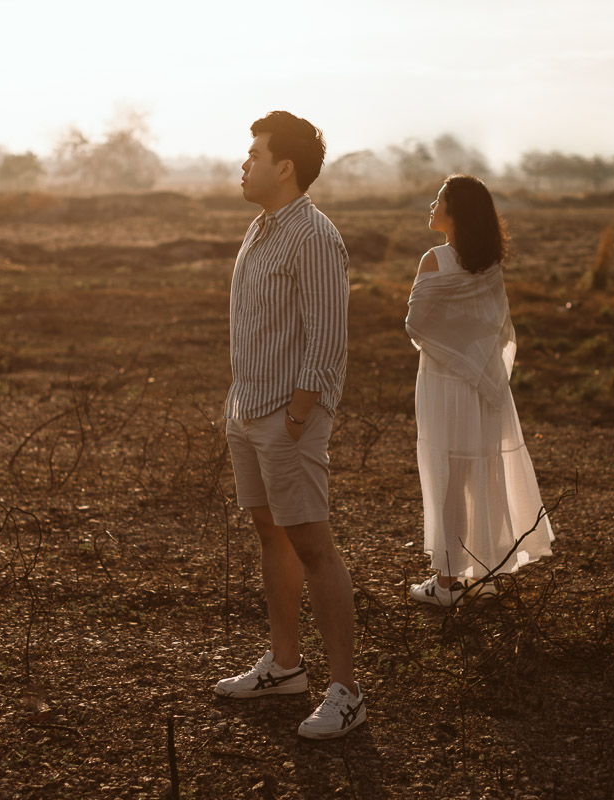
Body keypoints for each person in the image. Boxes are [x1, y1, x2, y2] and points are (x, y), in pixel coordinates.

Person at [214, 111, 364, 739]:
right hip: (248, 410)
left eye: (254, 154)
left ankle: (347, 692)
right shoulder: (261, 227)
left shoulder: (313, 235)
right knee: (269, 535)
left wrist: (298, 413)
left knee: (313, 545)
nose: (243, 163)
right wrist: (241, 408)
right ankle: (284, 665)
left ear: (285, 167)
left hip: (287, 416)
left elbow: (328, 340)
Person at [405, 175, 554, 607]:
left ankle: (447, 583)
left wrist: (452, 349)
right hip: (483, 383)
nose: (431, 204)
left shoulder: (434, 259)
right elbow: (493, 328)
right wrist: (469, 353)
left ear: (456, 212)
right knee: (472, 475)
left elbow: (416, 324)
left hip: (447, 382)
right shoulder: (489, 264)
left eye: (440, 199)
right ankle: (480, 574)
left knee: (447, 474)